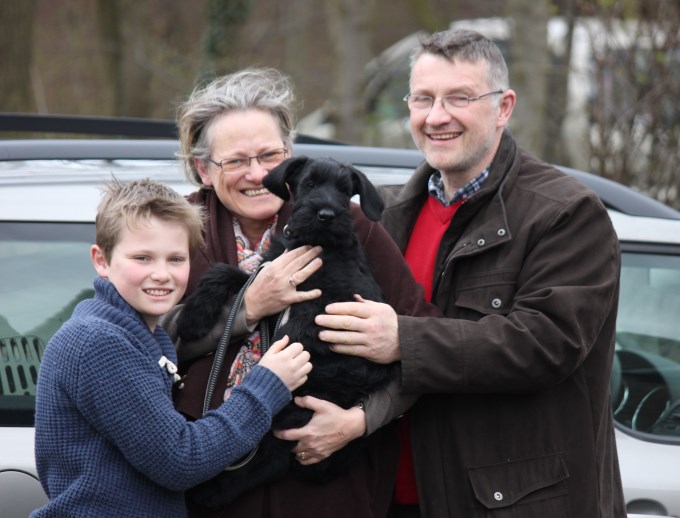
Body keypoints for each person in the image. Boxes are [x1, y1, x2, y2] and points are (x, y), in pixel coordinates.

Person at [313, 28, 628, 517]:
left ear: (503, 107)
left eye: (459, 98)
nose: (437, 117)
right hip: (385, 498)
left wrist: (405, 340)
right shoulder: (385, 215)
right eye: (423, 99)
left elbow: (545, 343)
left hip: (505, 504)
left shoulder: (565, 213)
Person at [168, 67, 437, 517]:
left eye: (269, 155)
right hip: (209, 490)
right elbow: (141, 342)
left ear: (290, 159)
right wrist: (248, 307)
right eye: (235, 160)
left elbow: (426, 344)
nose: (256, 174)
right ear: (203, 169)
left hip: (328, 493)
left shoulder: (352, 227)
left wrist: (359, 421)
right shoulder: (175, 230)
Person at [32, 178, 312, 517]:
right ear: (101, 260)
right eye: (143, 258)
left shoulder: (139, 335)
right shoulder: (98, 342)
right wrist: (266, 385)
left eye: (175, 259)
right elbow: (181, 459)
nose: (162, 274)